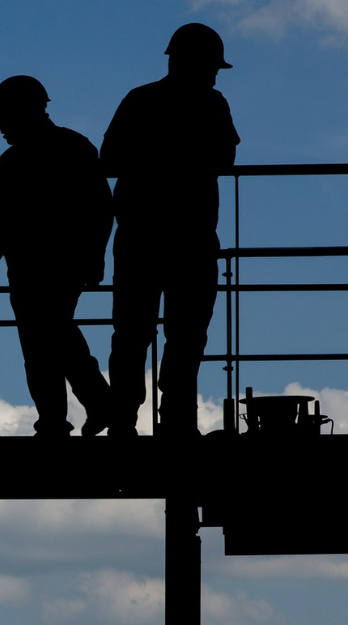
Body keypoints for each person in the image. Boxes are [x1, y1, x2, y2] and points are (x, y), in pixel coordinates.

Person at [102, 23, 240, 437]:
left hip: (141, 235)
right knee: (186, 334)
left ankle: (124, 420)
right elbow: (225, 160)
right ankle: (176, 419)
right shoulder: (212, 105)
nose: (215, 75)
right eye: (212, 67)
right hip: (191, 237)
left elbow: (108, 160)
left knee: (132, 333)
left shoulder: (141, 100)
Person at [0, 75, 115, 438]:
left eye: (3, 116)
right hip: (54, 264)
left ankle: (65, 417)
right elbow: (102, 208)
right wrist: (96, 257)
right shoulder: (73, 147)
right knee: (53, 336)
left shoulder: (16, 159)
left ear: (22, 113)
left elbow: (2, 222)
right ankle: (87, 409)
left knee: (44, 341)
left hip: (35, 266)